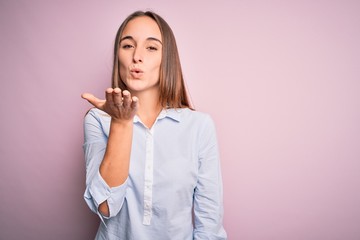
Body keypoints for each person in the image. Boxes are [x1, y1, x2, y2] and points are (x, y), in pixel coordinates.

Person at [81, 10, 227, 240]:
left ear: (166, 58)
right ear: (117, 55)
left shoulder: (199, 126)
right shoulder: (98, 120)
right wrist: (121, 122)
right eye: (127, 45)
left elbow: (209, 224)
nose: (137, 56)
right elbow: (107, 207)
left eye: (151, 47)